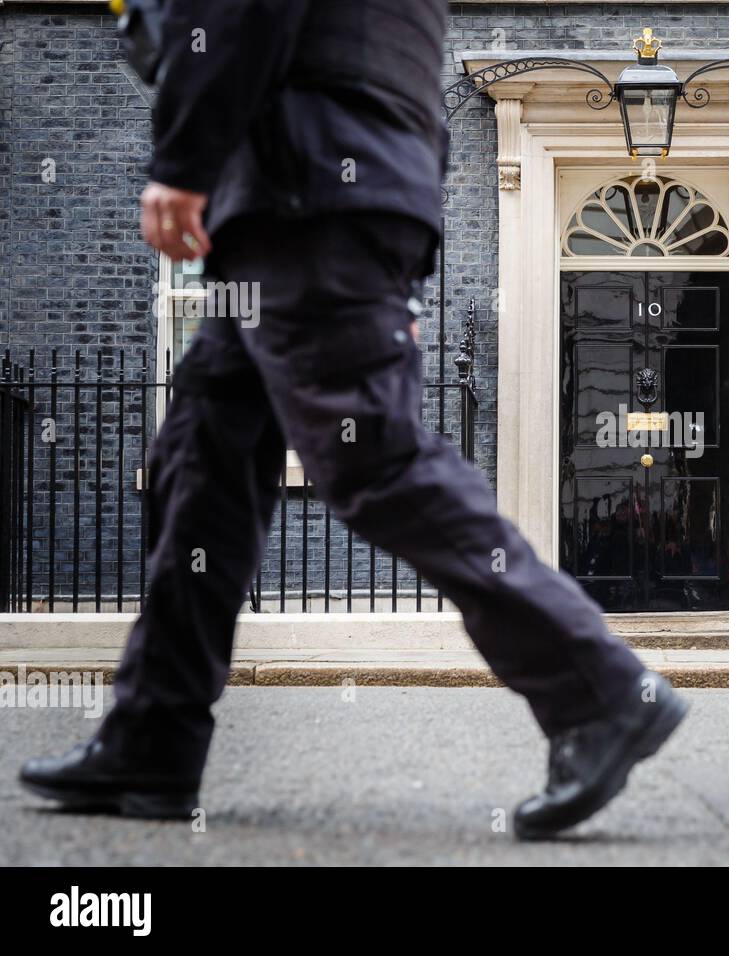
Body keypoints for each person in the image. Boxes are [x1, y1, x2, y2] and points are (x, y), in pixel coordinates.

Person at [19, 0, 687, 841]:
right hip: (335, 187)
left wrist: (185, 158)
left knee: (374, 457)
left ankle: (601, 691)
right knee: (202, 462)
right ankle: (152, 740)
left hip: (305, 196)